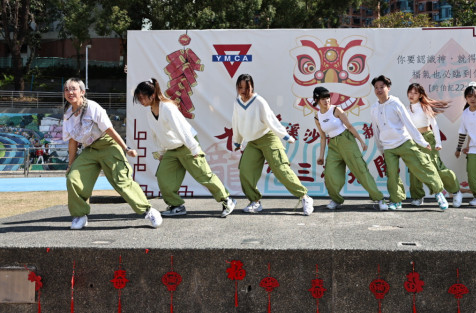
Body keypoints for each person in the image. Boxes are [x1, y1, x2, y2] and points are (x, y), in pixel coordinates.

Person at [62, 78, 162, 230]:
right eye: (66, 89)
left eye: (73, 89)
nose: (70, 92)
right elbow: (73, 141)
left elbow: (109, 129)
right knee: (73, 178)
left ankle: (148, 210)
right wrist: (70, 164)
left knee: (121, 181)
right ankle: (80, 215)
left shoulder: (93, 107)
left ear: (82, 92)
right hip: (90, 149)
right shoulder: (68, 114)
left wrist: (125, 148)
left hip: (108, 145)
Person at [134, 78, 236, 218]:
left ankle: (227, 200)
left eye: (142, 97)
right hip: (171, 149)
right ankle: (176, 206)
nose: (140, 101)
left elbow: (182, 129)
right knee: (163, 178)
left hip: (187, 145)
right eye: (138, 98)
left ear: (152, 95)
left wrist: (194, 149)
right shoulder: (149, 112)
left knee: (203, 175)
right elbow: (157, 134)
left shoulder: (167, 108)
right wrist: (162, 152)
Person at [232, 74, 314, 215]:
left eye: (247, 87)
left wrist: (285, 135)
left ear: (252, 86)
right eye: (241, 87)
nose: (244, 90)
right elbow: (236, 121)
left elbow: (271, 120)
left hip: (268, 138)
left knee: (281, 169)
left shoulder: (259, 101)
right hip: (252, 142)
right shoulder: (237, 102)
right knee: (245, 171)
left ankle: (305, 197)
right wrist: (237, 141)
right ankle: (255, 202)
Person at [370, 75, 449, 211]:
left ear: (388, 88)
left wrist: (422, 142)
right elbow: (376, 130)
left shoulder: (396, 103)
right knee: (392, 175)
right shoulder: (374, 108)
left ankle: (438, 193)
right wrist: (381, 148)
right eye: (376, 88)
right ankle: (396, 200)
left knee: (422, 166)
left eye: (382, 87)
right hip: (388, 147)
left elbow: (409, 124)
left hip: (404, 142)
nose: (379, 90)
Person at [312, 86, 388, 211]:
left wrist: (361, 141)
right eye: (323, 99)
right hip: (333, 146)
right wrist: (321, 156)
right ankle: (336, 200)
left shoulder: (336, 110)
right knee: (330, 175)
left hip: (346, 141)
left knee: (360, 170)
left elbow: (349, 126)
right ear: (316, 99)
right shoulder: (317, 117)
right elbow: (322, 137)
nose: (326, 101)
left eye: (327, 98)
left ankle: (380, 199)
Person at [406, 83, 463, 208]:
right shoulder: (406, 109)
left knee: (436, 166)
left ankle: (455, 191)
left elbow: (434, 124)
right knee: (414, 168)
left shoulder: (424, 107)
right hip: (413, 140)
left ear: (420, 95)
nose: (412, 95)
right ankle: (417, 196)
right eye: (410, 92)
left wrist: (438, 142)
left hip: (427, 138)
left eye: (415, 93)